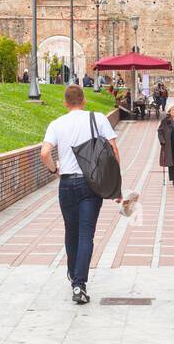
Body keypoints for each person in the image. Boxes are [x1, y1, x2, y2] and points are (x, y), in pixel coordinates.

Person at [41, 85, 138, 305]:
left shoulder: (56, 124)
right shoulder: (98, 119)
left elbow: (45, 153)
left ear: (65, 103)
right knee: (86, 234)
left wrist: (53, 170)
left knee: (71, 231)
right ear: (84, 101)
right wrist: (114, 184)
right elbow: (113, 150)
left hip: (66, 184)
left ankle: (73, 273)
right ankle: (79, 284)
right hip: (91, 185)